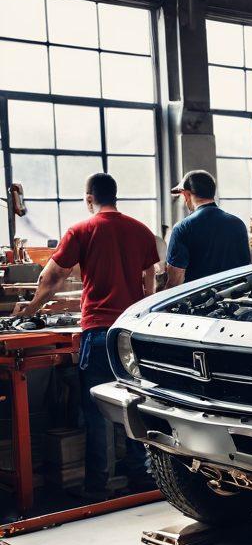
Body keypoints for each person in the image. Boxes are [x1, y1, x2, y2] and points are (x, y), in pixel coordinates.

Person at [15, 172, 159, 499]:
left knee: (96, 413)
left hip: (97, 333)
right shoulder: (141, 231)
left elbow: (51, 277)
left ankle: (98, 487)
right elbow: (149, 280)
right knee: (133, 406)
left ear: (89, 197)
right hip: (131, 335)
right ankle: (140, 475)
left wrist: (33, 307)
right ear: (115, 195)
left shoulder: (81, 230)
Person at [164, 170, 251, 287]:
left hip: (200, 301)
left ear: (186, 195)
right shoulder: (238, 224)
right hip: (233, 299)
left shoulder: (182, 228)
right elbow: (246, 268)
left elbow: (175, 281)